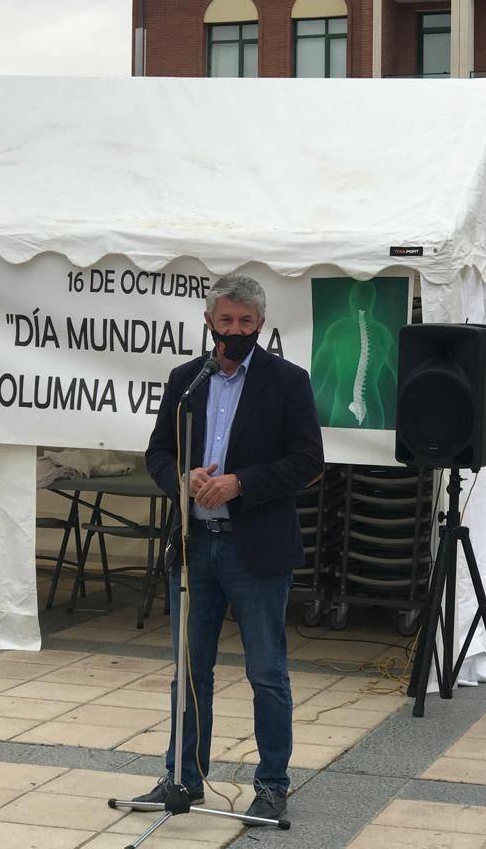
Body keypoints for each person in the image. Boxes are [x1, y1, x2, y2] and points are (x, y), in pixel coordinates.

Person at [133, 272, 324, 824]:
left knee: (267, 671)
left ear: (260, 325)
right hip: (195, 547)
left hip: (254, 547)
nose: (235, 329)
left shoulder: (287, 381)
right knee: (190, 671)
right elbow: (157, 454)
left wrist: (240, 483)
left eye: (245, 321)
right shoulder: (186, 380)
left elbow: (309, 460)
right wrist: (183, 478)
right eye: (226, 320)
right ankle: (184, 778)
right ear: (209, 322)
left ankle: (271, 784)